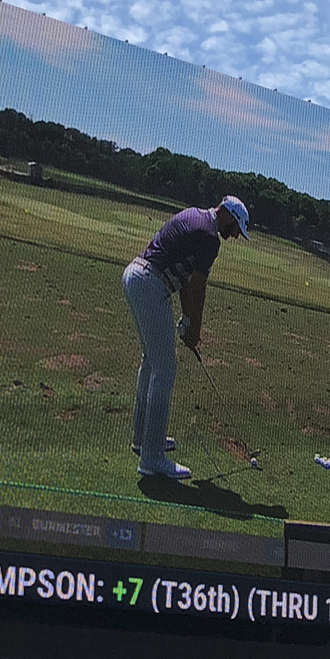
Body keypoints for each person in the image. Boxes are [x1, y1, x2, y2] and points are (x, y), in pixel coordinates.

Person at [120, 194, 249, 480]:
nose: (235, 236)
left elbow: (185, 282)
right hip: (149, 284)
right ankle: (152, 459)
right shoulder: (210, 237)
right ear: (228, 216)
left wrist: (188, 320)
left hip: (136, 276)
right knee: (165, 370)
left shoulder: (194, 214)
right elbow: (197, 287)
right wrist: (195, 329)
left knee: (151, 363)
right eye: (236, 228)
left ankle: (143, 440)